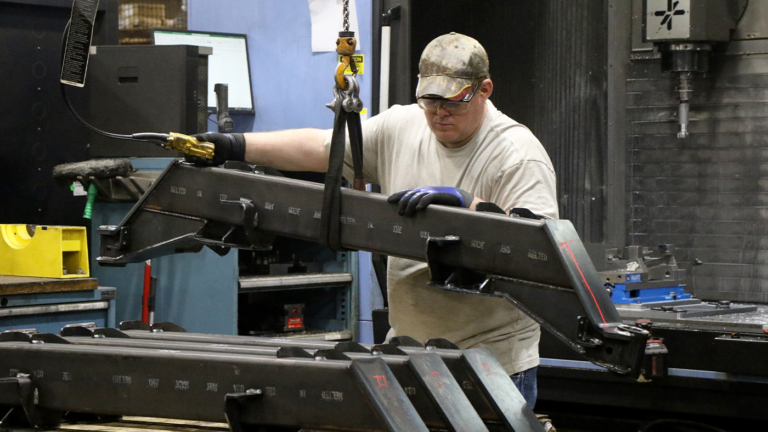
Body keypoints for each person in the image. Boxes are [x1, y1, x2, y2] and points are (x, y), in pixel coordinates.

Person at [191, 32, 558, 408]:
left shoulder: (516, 155)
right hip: (412, 353)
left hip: (491, 363)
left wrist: (471, 207)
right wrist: (233, 146)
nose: (439, 113)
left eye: (454, 101)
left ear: (484, 90)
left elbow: (540, 255)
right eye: (429, 99)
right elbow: (321, 148)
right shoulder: (404, 126)